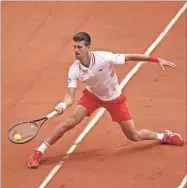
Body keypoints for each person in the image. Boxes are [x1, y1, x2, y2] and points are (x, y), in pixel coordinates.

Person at [28, 32, 184, 168]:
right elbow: (70, 96)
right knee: (68, 123)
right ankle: (39, 151)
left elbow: (129, 56)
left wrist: (155, 59)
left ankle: (164, 136)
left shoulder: (104, 57)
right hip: (93, 97)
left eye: (79, 47)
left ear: (88, 47)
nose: (76, 50)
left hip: (114, 99)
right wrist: (62, 105)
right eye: (74, 47)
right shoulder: (74, 69)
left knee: (133, 136)